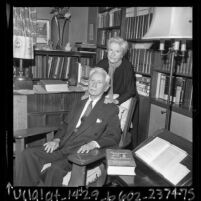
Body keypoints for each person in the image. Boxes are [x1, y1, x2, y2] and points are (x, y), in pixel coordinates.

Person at [15, 67, 121, 186]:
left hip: (80, 152)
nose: (94, 85)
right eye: (92, 81)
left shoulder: (110, 109)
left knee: (55, 170)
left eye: (99, 82)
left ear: (106, 87)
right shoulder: (79, 103)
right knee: (27, 155)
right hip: (62, 146)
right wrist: (56, 139)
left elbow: (114, 136)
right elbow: (65, 126)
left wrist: (93, 144)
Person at [96, 36, 138, 105]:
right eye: (111, 50)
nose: (113, 54)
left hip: (123, 99)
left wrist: (116, 101)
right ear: (107, 51)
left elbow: (131, 91)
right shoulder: (101, 64)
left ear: (122, 54)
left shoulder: (127, 66)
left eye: (117, 51)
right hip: (104, 98)